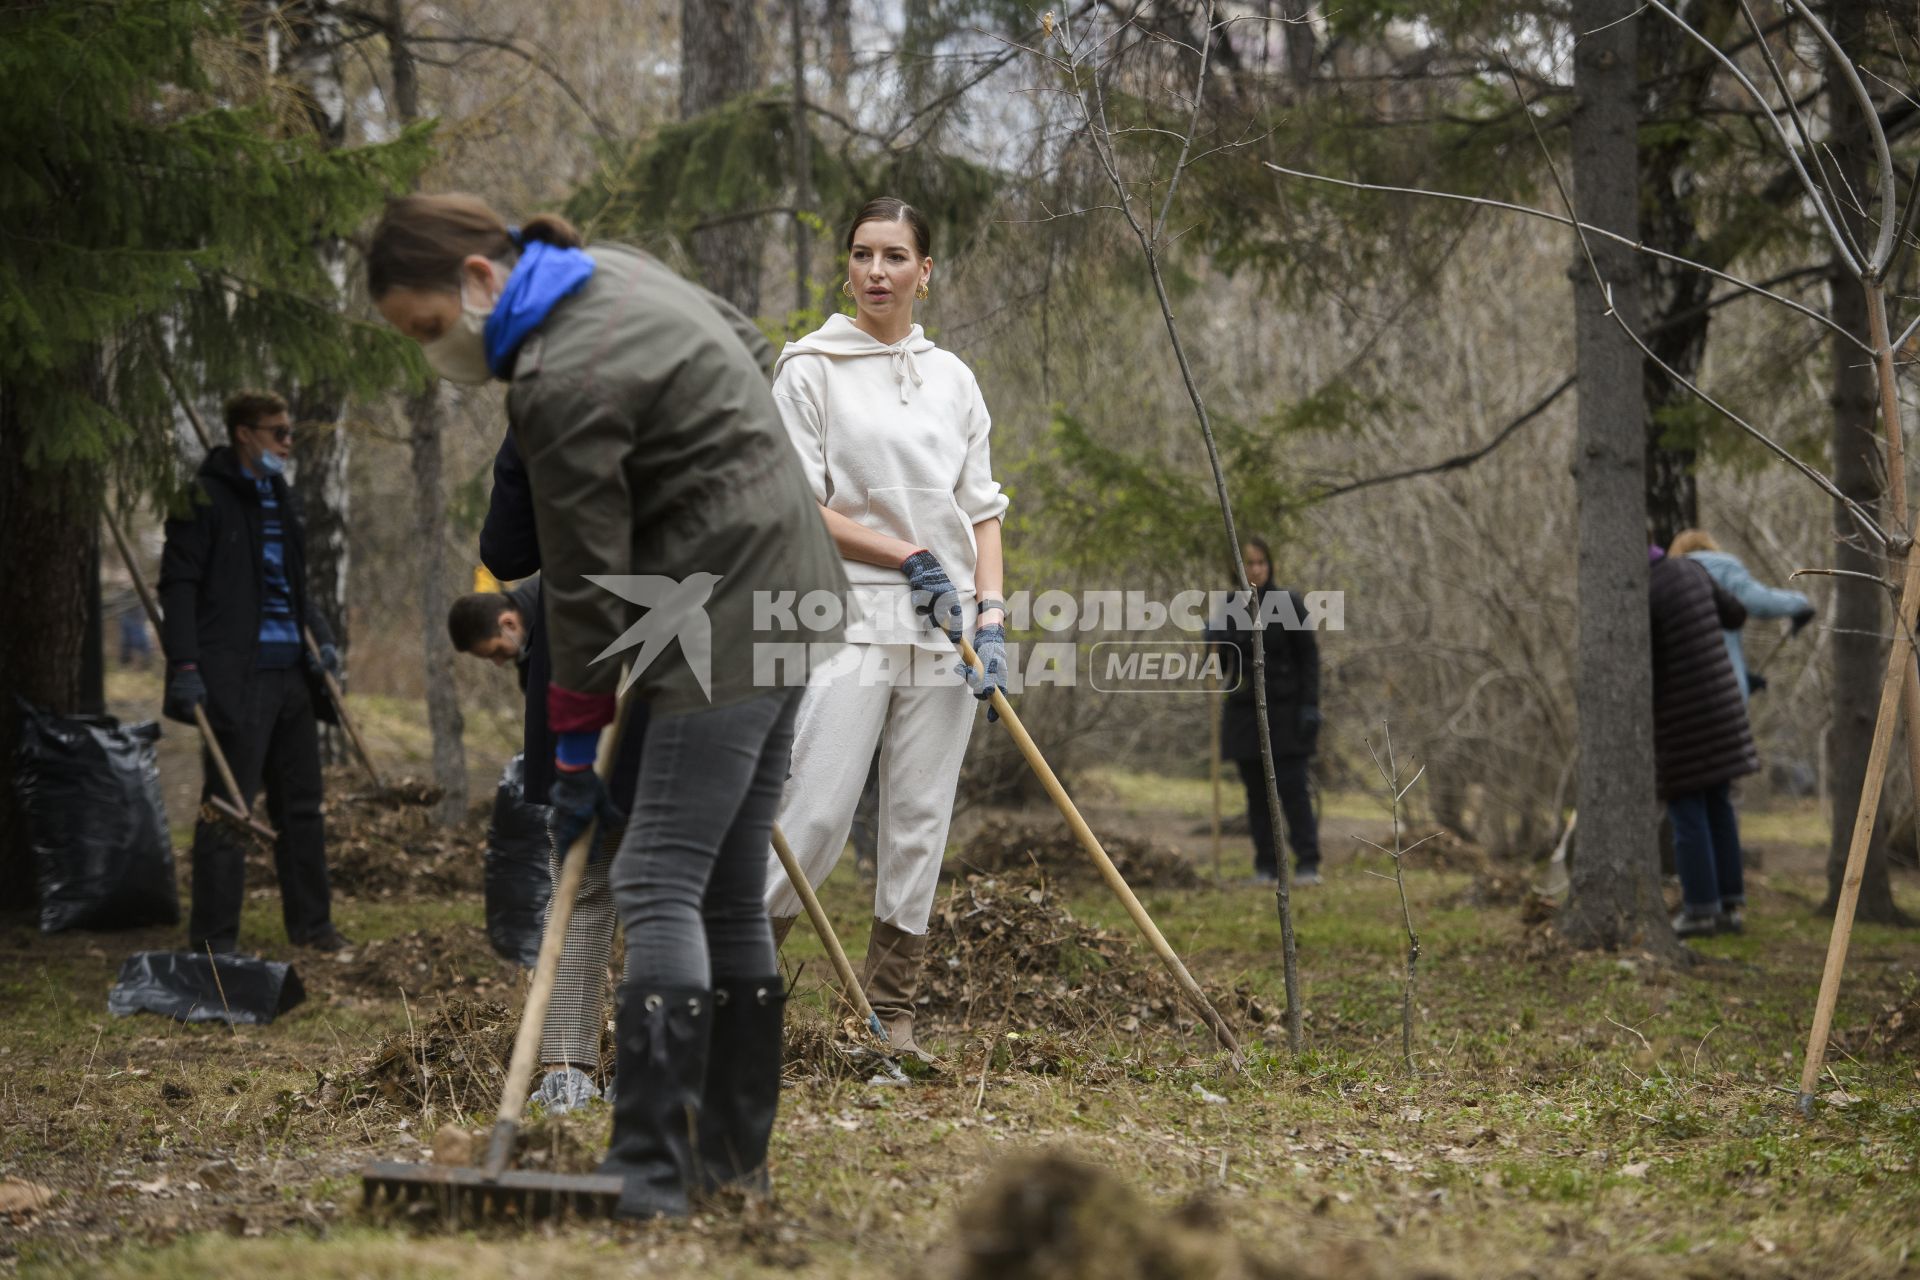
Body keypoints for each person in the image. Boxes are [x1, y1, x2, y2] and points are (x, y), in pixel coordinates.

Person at [370, 194, 846, 1219]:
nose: (433, 352)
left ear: (479, 281)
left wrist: (574, 749)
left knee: (656, 874)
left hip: (716, 608)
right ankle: (728, 1164)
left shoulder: (557, 379)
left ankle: (649, 1169)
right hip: (791, 590)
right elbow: (749, 342)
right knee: (722, 885)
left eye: (426, 327)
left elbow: (582, 584)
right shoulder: (617, 271)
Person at [758, 197, 1011, 1064]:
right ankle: (732, 985)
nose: (876, 271)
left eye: (895, 256)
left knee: (917, 821)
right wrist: (905, 555)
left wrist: (993, 617)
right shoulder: (810, 368)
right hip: (851, 614)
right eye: (863, 254)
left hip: (947, 631)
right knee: (817, 809)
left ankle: (892, 1022)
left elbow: (981, 511)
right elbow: (797, 503)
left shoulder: (954, 378)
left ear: (925, 271)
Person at [157, 391, 349, 955]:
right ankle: (215, 943)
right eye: (279, 433)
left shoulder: (280, 496)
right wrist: (185, 665)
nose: (289, 443)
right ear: (245, 434)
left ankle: (314, 928)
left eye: (290, 433)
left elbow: (292, 584)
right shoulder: (203, 498)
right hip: (234, 677)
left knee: (303, 807)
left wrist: (324, 640)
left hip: (291, 674)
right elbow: (178, 585)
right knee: (229, 809)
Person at [1648, 545, 1758, 938]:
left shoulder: (1641, 591)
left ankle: (1699, 910)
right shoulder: (1692, 570)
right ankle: (1730, 905)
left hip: (1683, 722)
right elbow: (1735, 613)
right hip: (1723, 709)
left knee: (1687, 813)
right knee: (1718, 806)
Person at [1204, 537, 1323, 886]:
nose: (1255, 569)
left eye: (1260, 563)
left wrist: (1309, 705)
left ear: (1269, 565)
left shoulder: (1289, 603)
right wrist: (1210, 639)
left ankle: (1308, 863)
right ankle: (1266, 865)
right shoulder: (1229, 606)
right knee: (1256, 794)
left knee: (1292, 789)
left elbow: (1309, 658)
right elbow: (1221, 665)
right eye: (1248, 563)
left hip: (1286, 713)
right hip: (1244, 715)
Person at [1669, 529, 1815, 701]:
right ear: (1710, 546)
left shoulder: (1666, 578)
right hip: (1725, 685)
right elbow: (1760, 602)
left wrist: (1745, 675)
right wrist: (1800, 604)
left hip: (1677, 688)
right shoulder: (1724, 568)